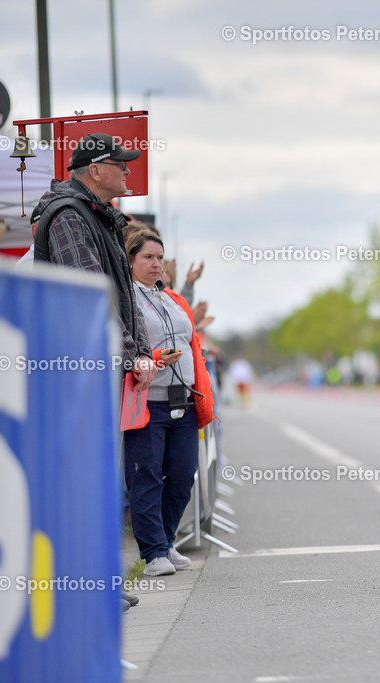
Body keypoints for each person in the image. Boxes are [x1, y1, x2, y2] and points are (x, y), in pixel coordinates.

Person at [32, 133, 156, 391]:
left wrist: (143, 352)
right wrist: (132, 356)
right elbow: (91, 298)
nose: (127, 171)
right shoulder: (69, 216)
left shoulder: (98, 216)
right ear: (95, 171)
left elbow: (127, 297)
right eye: (120, 165)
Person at [124, 229, 215, 576]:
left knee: (182, 474)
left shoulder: (174, 299)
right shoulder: (125, 298)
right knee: (147, 476)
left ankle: (166, 539)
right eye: (147, 257)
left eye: (160, 258)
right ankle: (153, 553)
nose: (156, 264)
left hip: (185, 402)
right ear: (130, 261)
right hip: (148, 403)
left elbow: (193, 345)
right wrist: (157, 357)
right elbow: (126, 345)